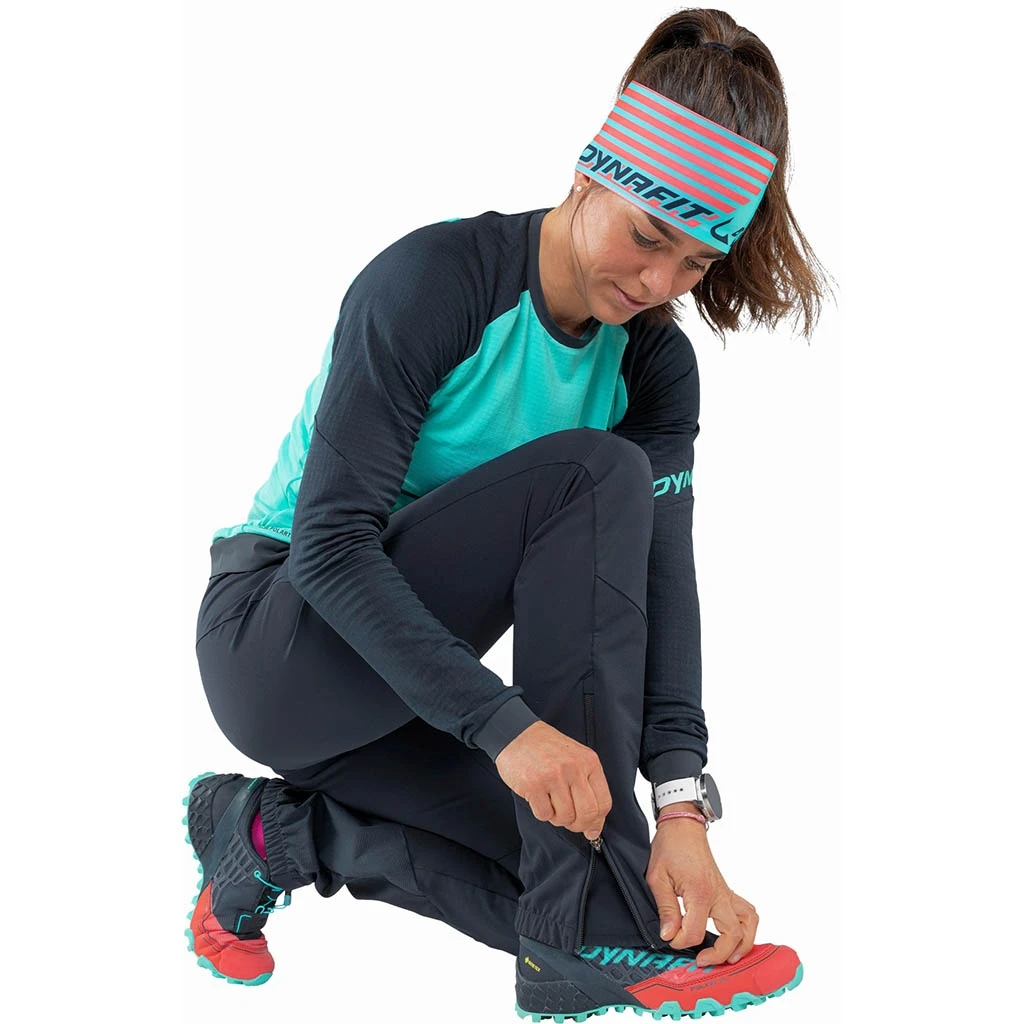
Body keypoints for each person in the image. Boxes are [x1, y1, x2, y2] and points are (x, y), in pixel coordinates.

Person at [183, 7, 828, 1019]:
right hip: (279, 644)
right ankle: (594, 924)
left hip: (410, 692)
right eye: (647, 237)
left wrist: (678, 809)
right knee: (594, 475)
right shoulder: (433, 282)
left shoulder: (656, 367)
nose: (659, 283)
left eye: (697, 263)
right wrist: (503, 727)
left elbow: (662, 589)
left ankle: (268, 835)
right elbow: (331, 546)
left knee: (582, 889)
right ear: (589, 174)